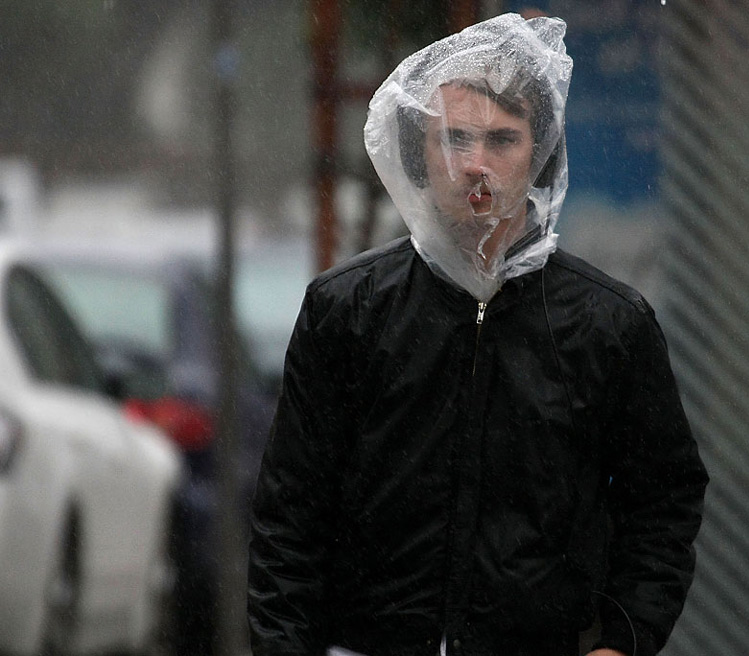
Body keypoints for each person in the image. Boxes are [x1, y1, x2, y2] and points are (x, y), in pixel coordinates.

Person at [248, 12, 708, 656]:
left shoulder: (608, 325)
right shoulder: (348, 311)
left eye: (503, 140)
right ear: (420, 154)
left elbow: (663, 502)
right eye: (454, 139)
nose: (475, 165)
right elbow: (289, 514)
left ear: (540, 154)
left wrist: (622, 641)